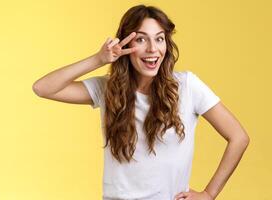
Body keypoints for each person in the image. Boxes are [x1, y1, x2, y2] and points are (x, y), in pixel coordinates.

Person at [32, 4, 250, 200]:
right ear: (125, 44)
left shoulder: (187, 86)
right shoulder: (108, 89)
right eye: (141, 39)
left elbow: (238, 137)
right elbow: (43, 88)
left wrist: (209, 194)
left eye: (159, 38)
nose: (153, 49)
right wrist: (99, 59)